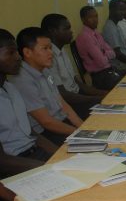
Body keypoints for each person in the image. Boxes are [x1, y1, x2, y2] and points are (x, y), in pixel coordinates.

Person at [11, 27, 81, 146]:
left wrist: (83, 126)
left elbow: (62, 103)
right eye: (45, 49)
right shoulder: (23, 80)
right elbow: (46, 122)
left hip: (62, 122)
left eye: (50, 48)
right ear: (27, 52)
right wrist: (79, 133)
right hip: (47, 132)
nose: (51, 53)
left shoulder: (44, 69)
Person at [0, 29, 54, 176]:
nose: (18, 57)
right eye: (11, 53)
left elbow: (29, 131)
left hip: (33, 153)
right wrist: (47, 168)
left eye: (16, 52)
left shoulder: (10, 88)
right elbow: (2, 162)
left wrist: (59, 155)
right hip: (14, 165)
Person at [41, 14, 106, 119]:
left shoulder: (62, 50)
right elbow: (63, 94)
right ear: (53, 31)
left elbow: (77, 83)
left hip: (78, 96)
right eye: (66, 29)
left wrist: (102, 93)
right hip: (69, 103)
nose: (71, 32)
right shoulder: (49, 57)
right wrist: (95, 98)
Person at [76, 6, 125, 90]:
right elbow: (101, 62)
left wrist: (104, 53)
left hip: (109, 70)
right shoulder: (85, 37)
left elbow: (113, 53)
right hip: (100, 76)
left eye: (96, 16)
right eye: (90, 17)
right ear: (83, 19)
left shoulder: (95, 33)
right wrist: (106, 54)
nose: (95, 19)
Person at [103, 0, 126, 64]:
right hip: (122, 65)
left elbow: (124, 48)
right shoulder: (110, 28)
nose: (123, 12)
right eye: (121, 10)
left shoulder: (116, 25)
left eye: (124, 10)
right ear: (112, 10)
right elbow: (118, 54)